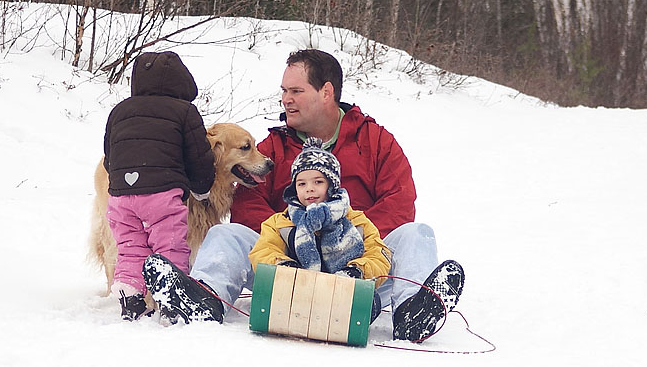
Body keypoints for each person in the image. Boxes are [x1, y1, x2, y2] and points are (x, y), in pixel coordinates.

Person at [143, 49, 464, 342]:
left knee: (416, 233)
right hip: (287, 269)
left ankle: (413, 312)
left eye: (296, 91)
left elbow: (399, 202)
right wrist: (291, 242)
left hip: (362, 268)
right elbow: (247, 206)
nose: (286, 99)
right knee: (226, 233)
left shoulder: (375, 140)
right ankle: (202, 298)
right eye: (284, 91)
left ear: (326, 92)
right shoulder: (273, 148)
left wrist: (349, 244)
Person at [104, 51, 214, 321]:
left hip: (120, 195)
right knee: (170, 243)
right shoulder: (185, 111)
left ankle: (131, 297)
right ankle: (174, 301)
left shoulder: (120, 110)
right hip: (161, 193)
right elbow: (198, 156)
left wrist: (123, 180)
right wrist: (201, 188)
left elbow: (109, 153)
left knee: (130, 245)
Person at [248, 138, 390, 322]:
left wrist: (357, 270)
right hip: (295, 291)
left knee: (372, 297)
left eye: (318, 182)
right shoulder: (281, 222)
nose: (310, 189)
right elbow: (263, 251)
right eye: (302, 184)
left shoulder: (356, 221)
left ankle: (405, 307)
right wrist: (284, 267)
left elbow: (378, 254)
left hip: (343, 291)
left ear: (331, 185)